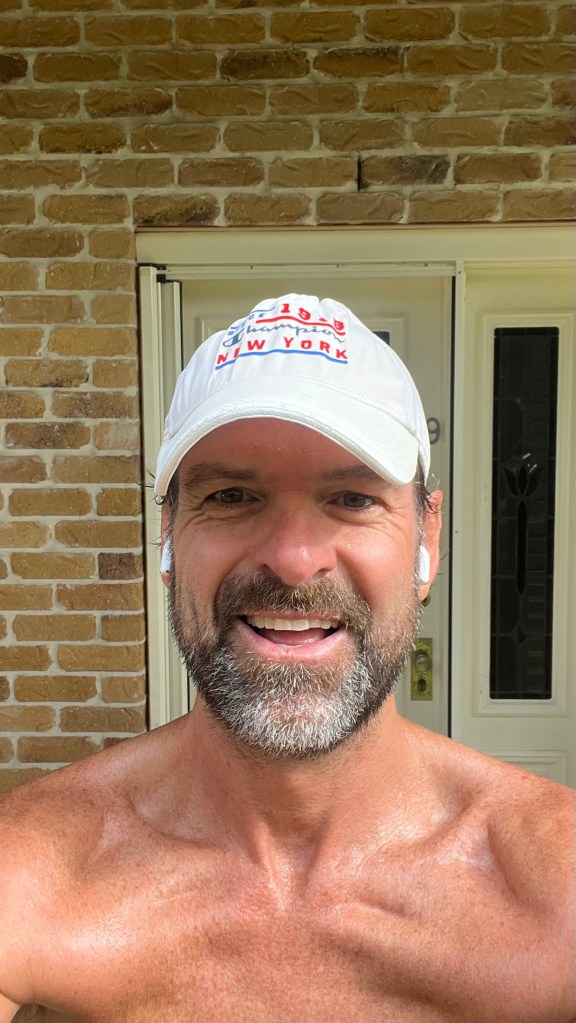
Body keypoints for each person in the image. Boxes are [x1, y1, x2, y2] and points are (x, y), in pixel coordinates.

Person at [0, 294, 573, 1023]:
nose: (295, 560)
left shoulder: (554, 886)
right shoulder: (34, 874)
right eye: (232, 494)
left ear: (427, 540)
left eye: (352, 498)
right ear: (168, 537)